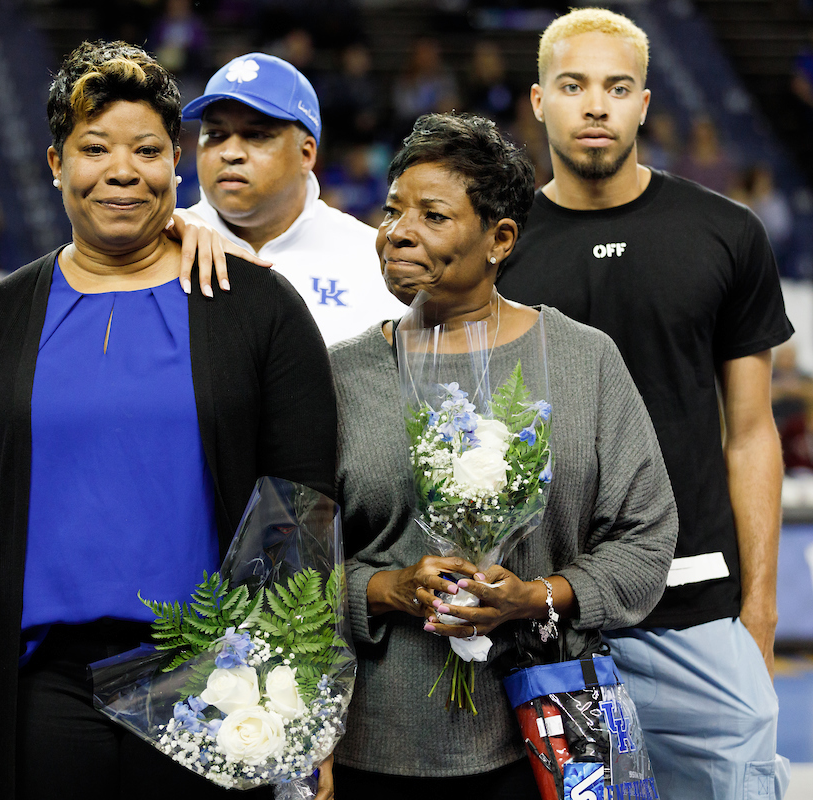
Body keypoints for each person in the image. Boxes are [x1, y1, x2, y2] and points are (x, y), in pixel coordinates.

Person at [0, 40, 338, 799]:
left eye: (147, 150)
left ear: (176, 163)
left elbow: (302, 512)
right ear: (55, 164)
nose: (122, 171)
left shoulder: (256, 307)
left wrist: (301, 692)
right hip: (44, 684)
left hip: (214, 682)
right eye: (94, 148)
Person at [332, 112, 678, 797]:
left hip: (553, 736)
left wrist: (535, 597)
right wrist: (385, 589)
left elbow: (646, 538)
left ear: (501, 239)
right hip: (381, 744)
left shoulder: (585, 359)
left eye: (432, 215)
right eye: (393, 210)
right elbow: (284, 565)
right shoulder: (337, 375)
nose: (398, 232)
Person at [495, 9, 793, 799]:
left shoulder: (726, 233)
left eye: (617, 87)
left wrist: (760, 612)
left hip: (699, 613)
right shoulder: (497, 247)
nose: (596, 105)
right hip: (548, 622)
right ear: (538, 100)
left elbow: (751, 433)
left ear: (645, 103)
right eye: (574, 86)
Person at [181, 52, 407, 345]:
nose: (230, 152)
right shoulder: (159, 246)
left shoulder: (371, 259)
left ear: (306, 153)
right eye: (214, 134)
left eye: (256, 135)